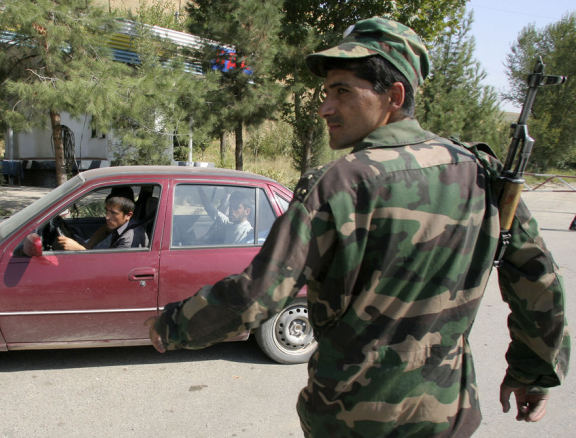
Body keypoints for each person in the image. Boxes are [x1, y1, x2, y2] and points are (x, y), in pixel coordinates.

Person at [146, 16, 569, 437]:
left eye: (343, 91)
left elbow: (256, 294)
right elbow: (538, 281)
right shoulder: (481, 171)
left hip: (352, 419)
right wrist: (533, 372)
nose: (326, 107)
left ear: (395, 95)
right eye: (327, 92)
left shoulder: (340, 183)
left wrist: (173, 325)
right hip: (445, 415)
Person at [56, 193, 146, 250]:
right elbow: (105, 229)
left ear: (128, 215)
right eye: (107, 211)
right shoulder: (121, 223)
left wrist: (79, 249)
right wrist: (87, 246)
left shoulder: (129, 240)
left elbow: (109, 268)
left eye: (113, 213)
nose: (107, 217)